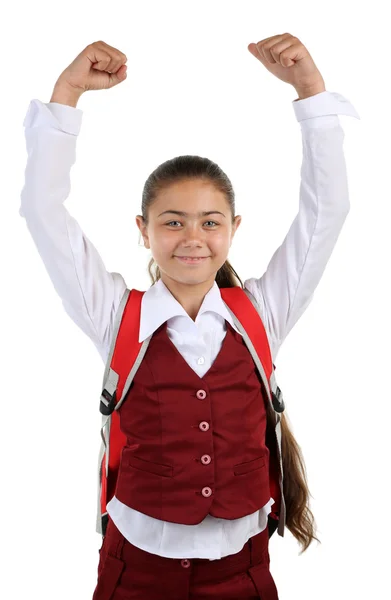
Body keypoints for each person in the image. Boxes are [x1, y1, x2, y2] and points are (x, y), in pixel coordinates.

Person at [19, 34, 360, 600]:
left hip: (243, 571)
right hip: (136, 571)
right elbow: (41, 211)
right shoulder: (115, 317)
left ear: (234, 228)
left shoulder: (262, 313)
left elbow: (327, 213)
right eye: (173, 222)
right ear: (143, 230)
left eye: (210, 221)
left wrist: (310, 94)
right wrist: (68, 93)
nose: (193, 238)